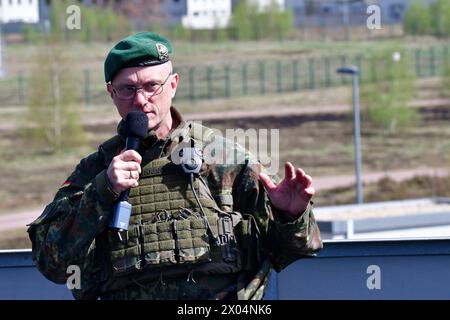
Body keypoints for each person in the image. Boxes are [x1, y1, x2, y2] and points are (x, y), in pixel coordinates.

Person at [27, 32, 322, 300]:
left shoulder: (223, 159)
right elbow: (52, 264)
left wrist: (291, 214)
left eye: (151, 86)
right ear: (111, 93)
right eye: (127, 89)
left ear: (173, 84)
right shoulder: (95, 172)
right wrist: (104, 190)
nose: (141, 100)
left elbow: (291, 250)